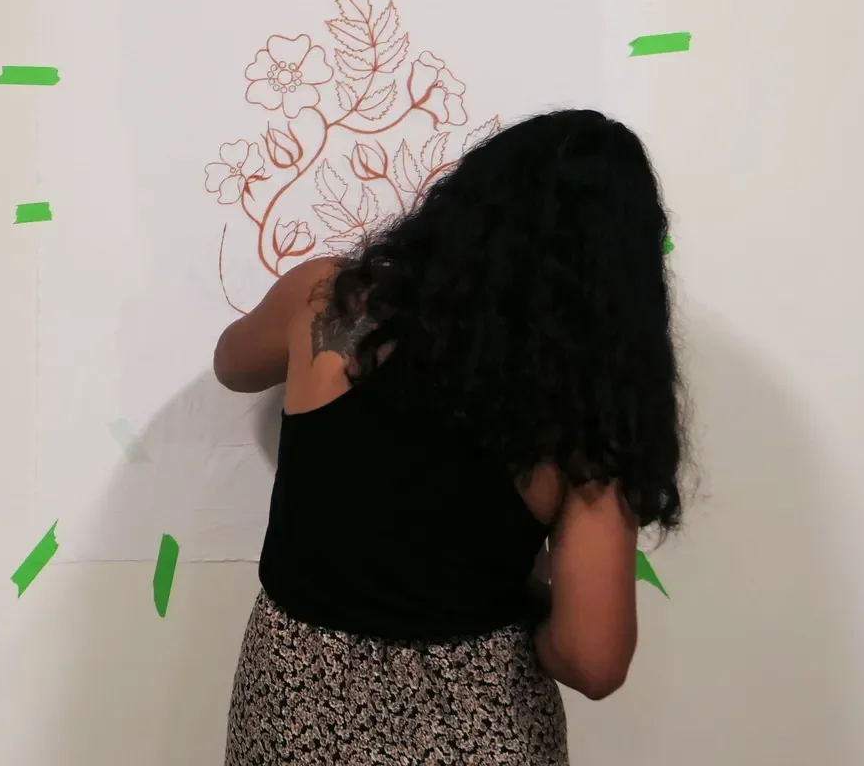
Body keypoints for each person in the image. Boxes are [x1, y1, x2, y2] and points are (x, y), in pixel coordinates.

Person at [213, 108, 686, 765]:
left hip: (295, 704)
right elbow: (593, 659)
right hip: (478, 719)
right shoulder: (586, 414)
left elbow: (232, 364)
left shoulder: (331, 302)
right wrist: (533, 622)